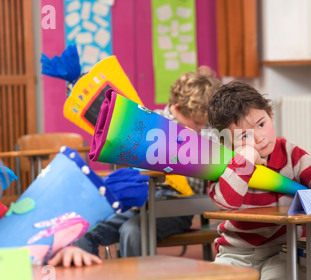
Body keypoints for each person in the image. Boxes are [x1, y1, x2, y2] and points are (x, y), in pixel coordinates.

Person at [180, 80, 311, 280]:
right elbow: (226, 202)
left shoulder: (291, 154)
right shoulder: (220, 163)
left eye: (261, 124)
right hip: (235, 256)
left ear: (270, 114)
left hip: (285, 253)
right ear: (226, 142)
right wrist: (245, 159)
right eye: (244, 136)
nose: (259, 138)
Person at [52, 66, 220, 267]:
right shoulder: (148, 121)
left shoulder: (207, 133)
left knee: (132, 230)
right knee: (84, 230)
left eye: (204, 123)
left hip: (177, 208)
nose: (201, 128)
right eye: (196, 123)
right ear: (176, 109)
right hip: (139, 201)